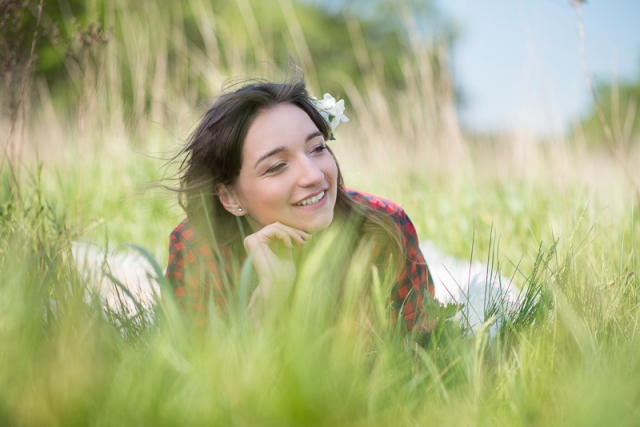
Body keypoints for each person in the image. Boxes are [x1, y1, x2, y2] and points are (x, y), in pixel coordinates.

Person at [165, 76, 435, 331]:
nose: (314, 175)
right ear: (229, 197)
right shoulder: (198, 250)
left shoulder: (383, 227)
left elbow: (418, 354)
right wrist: (269, 298)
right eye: (277, 166)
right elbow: (203, 375)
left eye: (317, 148)